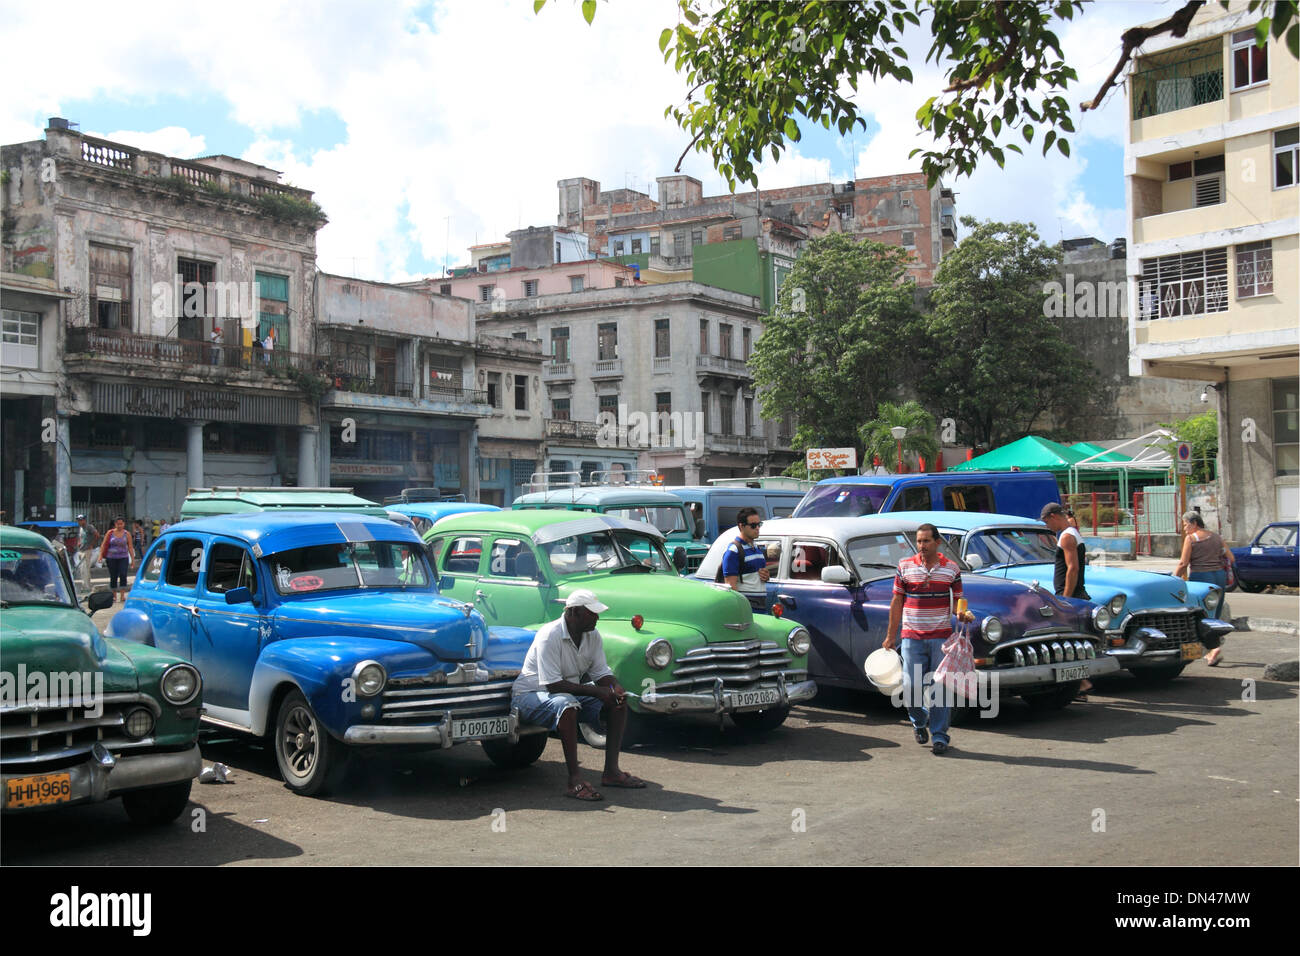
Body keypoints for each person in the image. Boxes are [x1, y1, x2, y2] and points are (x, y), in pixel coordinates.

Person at [510, 589, 648, 800]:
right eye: (591, 613)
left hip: (564, 692)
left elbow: (601, 673)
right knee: (567, 706)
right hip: (530, 695)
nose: (597, 618)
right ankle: (574, 781)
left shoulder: (592, 636)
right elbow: (553, 685)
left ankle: (612, 772)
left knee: (617, 703)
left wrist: (615, 688)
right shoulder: (550, 634)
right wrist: (598, 691)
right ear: (573, 613)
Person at [884, 523, 975, 755]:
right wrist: (890, 637)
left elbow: (958, 601)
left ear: (937, 542)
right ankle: (918, 720)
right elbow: (896, 603)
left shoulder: (951, 569)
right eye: (919, 541)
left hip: (941, 638)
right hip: (911, 637)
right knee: (911, 686)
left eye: (926, 541)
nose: (921, 546)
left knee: (940, 690)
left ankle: (940, 736)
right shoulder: (904, 567)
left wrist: (963, 614)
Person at [1041, 501, 1094, 697]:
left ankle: (1081, 683)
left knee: (1064, 640)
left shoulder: (1067, 537)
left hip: (1070, 595)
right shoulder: (1068, 534)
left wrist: (1066, 598)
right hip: (1072, 593)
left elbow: (1073, 568)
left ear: (1053, 516)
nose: (1047, 526)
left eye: (1047, 522)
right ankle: (1080, 683)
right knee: (1070, 641)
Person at [1173, 511, 1234, 666]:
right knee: (1214, 616)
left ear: (1194, 523)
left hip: (1201, 578)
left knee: (1199, 617)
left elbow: (1183, 563)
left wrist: (1172, 579)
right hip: (1218, 577)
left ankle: (1212, 650)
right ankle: (1213, 649)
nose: (1185, 528)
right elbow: (1231, 558)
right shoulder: (1216, 537)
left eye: (1186, 524)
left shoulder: (1191, 539)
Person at [718, 507, 770, 591]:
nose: (757, 528)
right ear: (741, 526)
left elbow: (757, 578)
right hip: (746, 601)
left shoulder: (757, 548)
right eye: (753, 525)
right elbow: (731, 588)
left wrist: (766, 576)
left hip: (760, 601)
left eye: (759, 524)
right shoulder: (734, 551)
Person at [98, 517, 135, 604]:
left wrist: (132, 560)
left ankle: (122, 595)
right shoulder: (110, 533)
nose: (119, 526)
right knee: (113, 576)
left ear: (124, 524)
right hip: (111, 558)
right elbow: (103, 544)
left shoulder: (127, 534)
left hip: (123, 557)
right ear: (115, 524)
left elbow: (130, 547)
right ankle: (114, 595)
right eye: (118, 524)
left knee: (123, 574)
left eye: (121, 524)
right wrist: (100, 556)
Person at [73, 514, 100, 595]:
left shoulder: (89, 527)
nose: (79, 522)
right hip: (81, 549)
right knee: (82, 569)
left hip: (87, 550)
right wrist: (78, 542)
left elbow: (97, 535)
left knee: (85, 569)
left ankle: (87, 587)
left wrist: (92, 544)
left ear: (84, 520)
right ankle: (84, 586)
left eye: (81, 520)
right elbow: (80, 537)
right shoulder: (81, 528)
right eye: (78, 520)